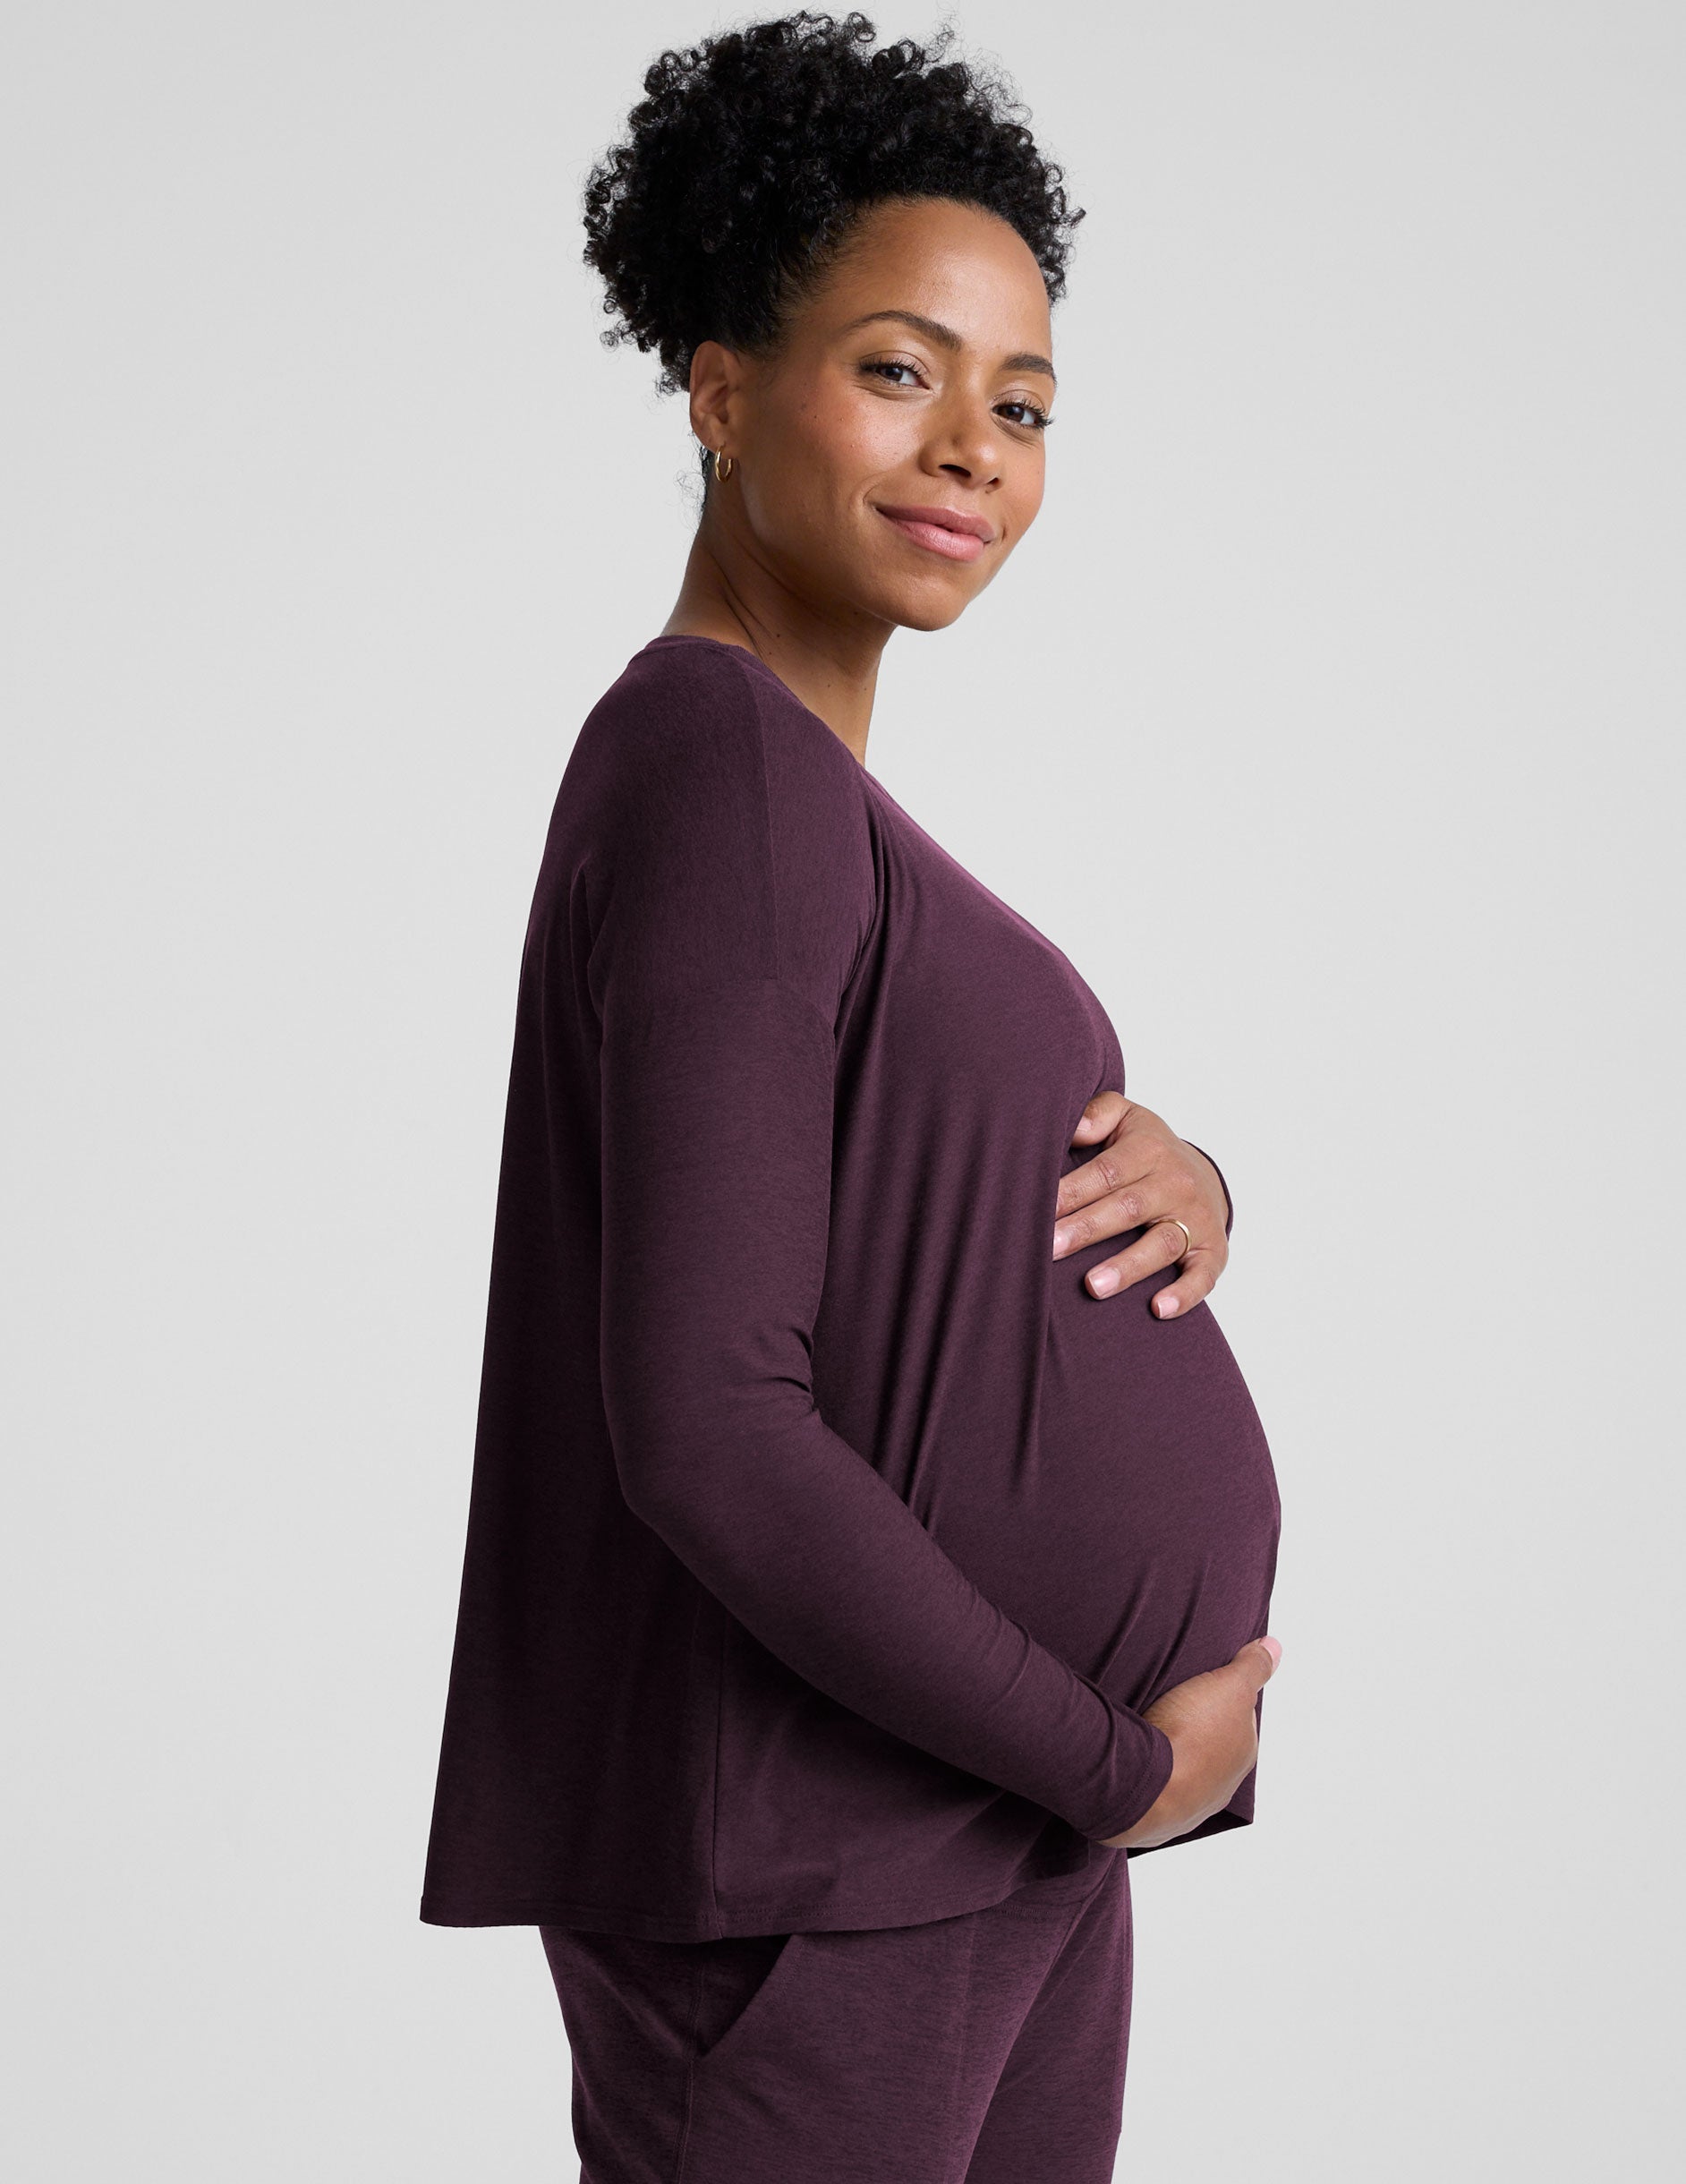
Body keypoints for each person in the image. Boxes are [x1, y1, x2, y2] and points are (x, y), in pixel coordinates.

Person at [420, 13, 1283, 2178]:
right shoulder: (719, 767)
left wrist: (1190, 1179)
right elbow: (708, 1420)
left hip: (957, 1848)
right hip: (825, 1876)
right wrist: (1106, 1757)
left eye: (1026, 402)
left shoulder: (805, 806)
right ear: (719, 389)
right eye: (900, 368)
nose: (974, 447)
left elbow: (909, 1213)